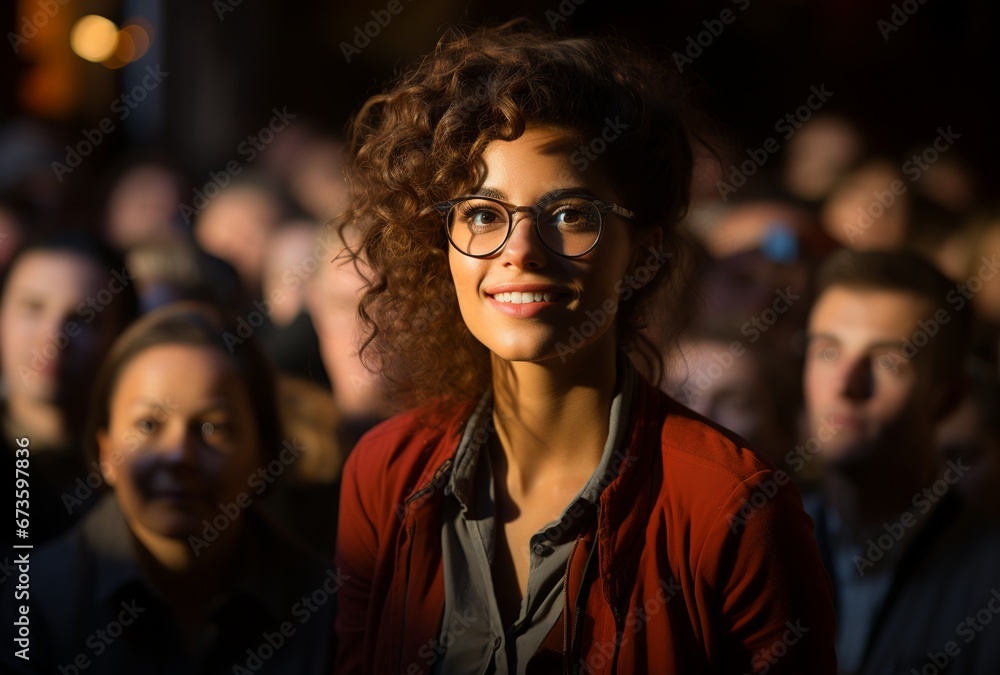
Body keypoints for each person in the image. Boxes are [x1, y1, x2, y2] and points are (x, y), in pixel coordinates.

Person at [333, 22, 836, 674]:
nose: (519, 251)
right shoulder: (383, 473)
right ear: (445, 243)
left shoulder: (734, 507)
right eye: (483, 213)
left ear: (645, 252)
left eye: (570, 214)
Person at [0, 302, 334, 674]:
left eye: (213, 428)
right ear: (106, 451)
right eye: (147, 425)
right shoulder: (33, 604)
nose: (178, 455)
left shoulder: (324, 605)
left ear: (264, 455)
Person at [800, 248, 1000, 673]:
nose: (847, 384)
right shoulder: (762, 542)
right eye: (828, 351)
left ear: (948, 397)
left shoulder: (988, 578)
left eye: (888, 361)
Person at [0, 232, 140, 544]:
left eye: (83, 319)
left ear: (121, 337)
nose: (52, 337)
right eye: (32, 307)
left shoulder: (141, 473)